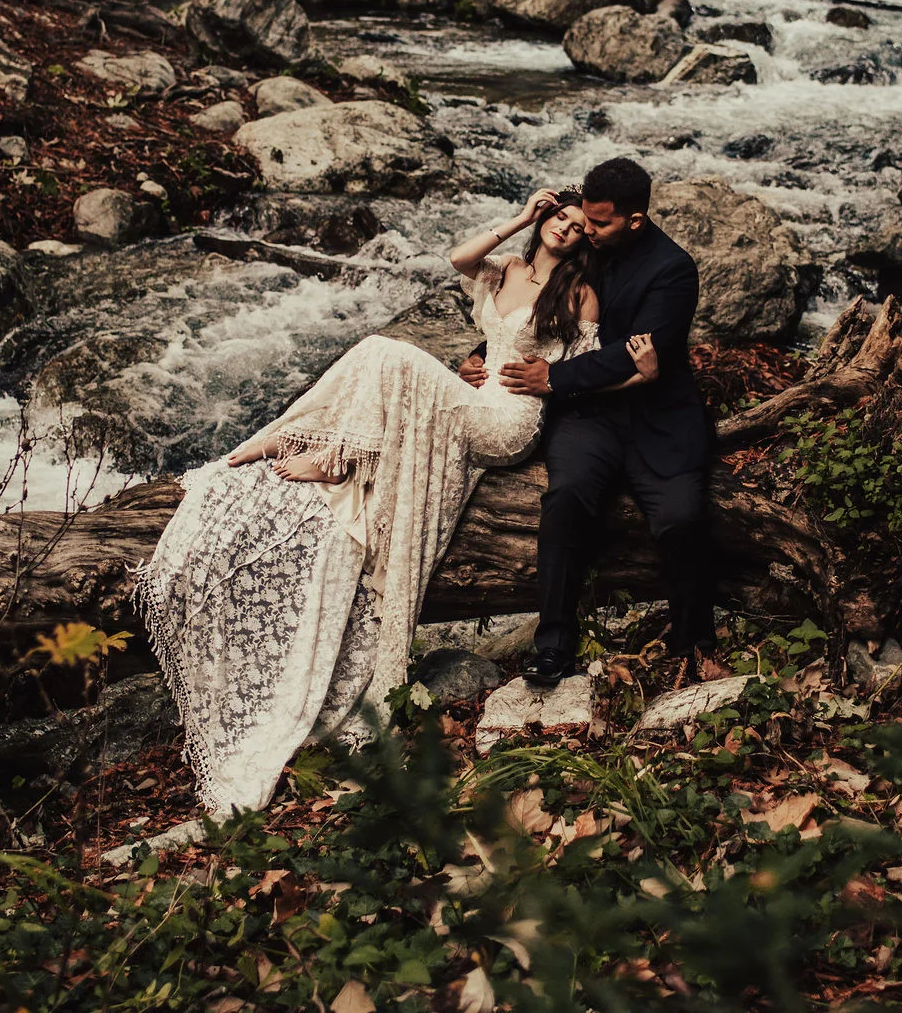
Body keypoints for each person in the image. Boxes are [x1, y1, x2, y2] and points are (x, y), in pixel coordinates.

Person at [133, 190, 657, 813]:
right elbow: (459, 258)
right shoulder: (510, 269)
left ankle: (322, 449)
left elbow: (583, 372)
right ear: (544, 219)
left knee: (387, 353)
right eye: (559, 219)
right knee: (391, 364)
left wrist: (639, 376)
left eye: (577, 227)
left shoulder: (577, 295)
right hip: (473, 397)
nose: (566, 231)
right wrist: (518, 217)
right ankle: (328, 450)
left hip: (508, 421)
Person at [465, 157, 716, 687]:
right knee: (567, 498)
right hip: (588, 415)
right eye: (587, 222)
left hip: (657, 413)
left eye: (600, 223)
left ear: (635, 221)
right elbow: (533, 307)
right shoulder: (585, 248)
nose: (588, 231)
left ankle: (695, 642)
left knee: (680, 518)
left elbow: (632, 354)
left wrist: (551, 378)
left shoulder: (673, 270)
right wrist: (483, 354)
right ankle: (553, 644)